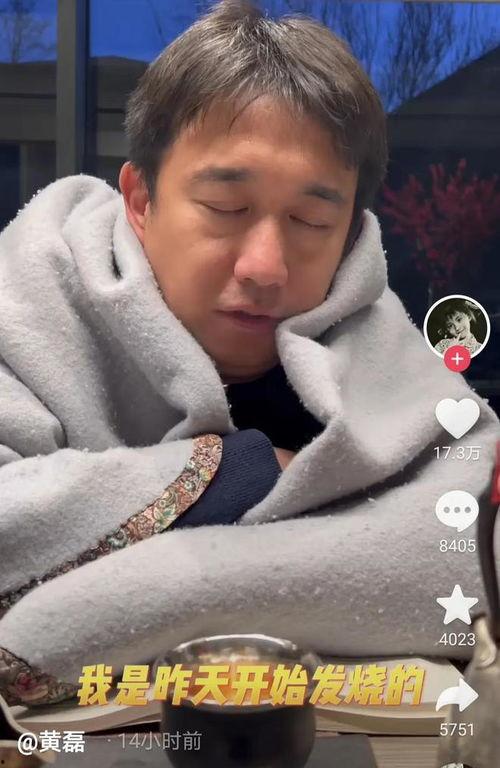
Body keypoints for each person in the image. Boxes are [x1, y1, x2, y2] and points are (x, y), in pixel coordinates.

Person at [0, 0, 499, 707]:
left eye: (311, 220)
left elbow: (473, 549)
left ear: (352, 233)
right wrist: (243, 472)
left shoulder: (378, 346)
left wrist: (164, 593)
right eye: (226, 208)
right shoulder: (28, 298)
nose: (266, 266)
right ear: (140, 200)